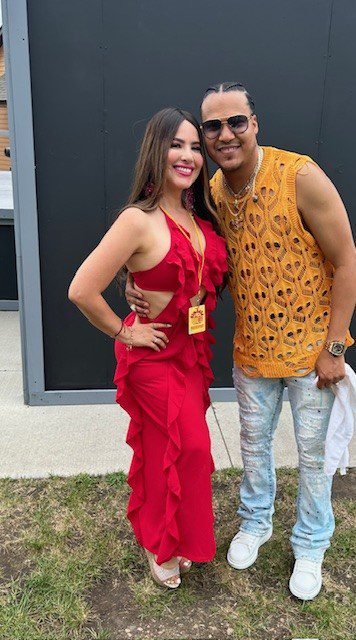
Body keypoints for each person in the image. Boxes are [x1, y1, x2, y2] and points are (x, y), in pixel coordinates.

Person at [127, 83, 356, 601]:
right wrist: (136, 284)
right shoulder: (211, 194)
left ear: (254, 123)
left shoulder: (299, 176)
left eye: (236, 122)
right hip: (252, 351)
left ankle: (311, 543)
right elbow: (194, 260)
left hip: (311, 353)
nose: (224, 134)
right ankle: (255, 522)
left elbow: (347, 261)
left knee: (313, 455)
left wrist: (335, 349)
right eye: (212, 126)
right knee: (253, 448)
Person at [68, 108, 228, 589]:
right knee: (192, 447)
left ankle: (164, 537)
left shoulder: (199, 216)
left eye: (195, 147)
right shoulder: (137, 220)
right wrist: (125, 332)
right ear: (156, 151)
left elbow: (198, 278)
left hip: (191, 352)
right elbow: (81, 290)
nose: (188, 155)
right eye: (176, 145)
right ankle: (162, 541)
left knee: (169, 448)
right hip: (151, 356)